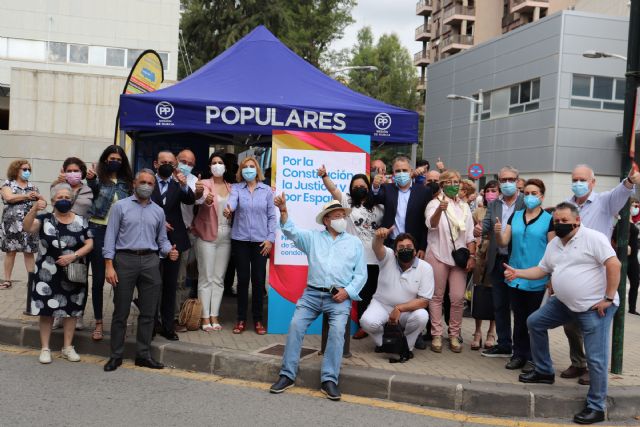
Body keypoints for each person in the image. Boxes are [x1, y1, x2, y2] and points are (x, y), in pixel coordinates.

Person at [504, 202, 621, 425]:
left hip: (594, 308)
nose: (560, 224)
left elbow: (613, 265)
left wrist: (608, 298)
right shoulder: (555, 244)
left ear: (577, 221)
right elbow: (542, 269)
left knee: (596, 359)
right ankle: (545, 371)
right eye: (557, 221)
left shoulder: (593, 238)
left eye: (565, 221)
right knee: (535, 322)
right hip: (564, 303)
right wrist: (517, 272)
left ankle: (596, 406)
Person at [269, 197, 366, 400]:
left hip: (339, 296)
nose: (342, 219)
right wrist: (284, 210)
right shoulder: (313, 238)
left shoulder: (355, 243)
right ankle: (287, 375)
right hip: (312, 294)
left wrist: (347, 292)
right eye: (337, 216)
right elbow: (291, 231)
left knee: (338, 331)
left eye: (343, 216)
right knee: (296, 325)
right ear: (327, 220)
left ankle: (329, 379)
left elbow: (361, 275)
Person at [561, 164, 639, 385]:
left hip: (596, 277)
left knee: (593, 324)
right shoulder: (567, 205)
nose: (578, 183)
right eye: (574, 179)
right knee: (570, 324)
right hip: (571, 274)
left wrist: (630, 181)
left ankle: (595, 371)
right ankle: (578, 362)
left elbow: (621, 192)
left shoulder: (604, 201)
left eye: (582, 180)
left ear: (592, 182)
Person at [102, 169, 179, 372]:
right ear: (134, 184)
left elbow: (161, 239)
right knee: (121, 311)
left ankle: (143, 355)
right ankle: (115, 355)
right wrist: (109, 265)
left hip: (150, 261)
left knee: (149, 312)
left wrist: (168, 251)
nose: (146, 186)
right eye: (142, 182)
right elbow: (110, 237)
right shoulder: (120, 207)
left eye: (150, 183)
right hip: (124, 260)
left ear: (154, 187)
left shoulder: (158, 212)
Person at [23, 184, 93, 364]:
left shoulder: (81, 220)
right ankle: (45, 348)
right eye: (60, 198)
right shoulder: (44, 219)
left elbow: (90, 244)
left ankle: (67, 347)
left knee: (71, 311)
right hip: (46, 274)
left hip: (72, 272)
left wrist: (73, 256)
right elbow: (27, 227)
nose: (64, 201)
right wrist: (33, 208)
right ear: (53, 201)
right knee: (46, 311)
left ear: (72, 200)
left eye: (67, 198)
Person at [317, 165, 383, 340]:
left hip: (374, 258)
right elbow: (333, 190)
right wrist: (324, 176)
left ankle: (367, 324)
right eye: (356, 186)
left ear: (368, 188)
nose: (359, 189)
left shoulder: (379, 206)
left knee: (369, 293)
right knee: (353, 292)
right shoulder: (347, 202)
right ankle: (352, 325)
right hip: (352, 257)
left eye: (363, 186)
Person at [495, 179, 554, 372]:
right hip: (515, 275)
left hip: (538, 277)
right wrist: (497, 232)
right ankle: (518, 354)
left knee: (535, 320)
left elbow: (554, 250)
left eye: (534, 193)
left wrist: (552, 278)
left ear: (542, 196)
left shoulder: (549, 219)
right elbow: (504, 241)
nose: (529, 197)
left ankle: (535, 357)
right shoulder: (516, 216)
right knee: (520, 318)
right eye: (526, 193)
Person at [474, 166, 524, 358]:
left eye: (511, 179)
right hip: (497, 259)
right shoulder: (495, 204)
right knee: (500, 304)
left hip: (517, 261)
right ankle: (504, 344)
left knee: (518, 307)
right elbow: (486, 224)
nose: (507, 183)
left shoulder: (524, 202)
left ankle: (520, 348)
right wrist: (479, 230)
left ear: (518, 181)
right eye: (503, 180)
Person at [424, 170, 476, 353]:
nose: (454, 185)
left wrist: (472, 256)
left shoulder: (465, 207)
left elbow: (470, 235)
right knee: (437, 296)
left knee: (457, 298)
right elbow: (431, 224)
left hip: (459, 258)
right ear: (443, 185)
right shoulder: (433, 203)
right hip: (438, 255)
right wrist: (440, 209)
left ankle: (454, 334)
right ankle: (436, 334)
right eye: (450, 182)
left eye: (457, 181)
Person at [360, 229, 433, 356]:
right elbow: (377, 247)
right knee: (366, 322)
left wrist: (399, 308)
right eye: (401, 247)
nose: (405, 249)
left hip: (406, 311)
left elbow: (424, 301)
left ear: (415, 251)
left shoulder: (425, 268)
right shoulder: (387, 257)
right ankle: (383, 343)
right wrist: (379, 237)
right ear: (395, 252)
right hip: (381, 305)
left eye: (409, 247)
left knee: (422, 316)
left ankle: (405, 346)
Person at [224, 156, 276, 335]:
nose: (248, 170)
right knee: (243, 281)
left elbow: (272, 217)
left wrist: (270, 239)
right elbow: (232, 202)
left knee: (259, 281)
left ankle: (258, 320)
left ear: (257, 169)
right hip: (241, 241)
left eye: (251, 166)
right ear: (241, 171)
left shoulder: (267, 190)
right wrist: (228, 209)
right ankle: (241, 319)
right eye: (245, 167)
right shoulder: (237, 188)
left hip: (261, 242)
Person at [86, 145, 133, 341]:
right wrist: (91, 179)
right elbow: (94, 189)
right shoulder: (98, 179)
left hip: (120, 234)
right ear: (105, 159)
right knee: (98, 280)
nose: (115, 161)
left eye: (119, 159)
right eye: (112, 158)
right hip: (98, 231)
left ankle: (119, 323)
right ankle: (98, 322)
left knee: (118, 281)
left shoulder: (127, 182)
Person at [150, 151, 196, 341]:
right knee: (152, 286)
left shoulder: (178, 184)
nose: (167, 165)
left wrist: (184, 184)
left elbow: (190, 200)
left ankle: (168, 326)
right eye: (163, 162)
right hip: (150, 241)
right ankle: (151, 325)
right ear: (156, 164)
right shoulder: (147, 183)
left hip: (175, 241)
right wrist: (158, 222)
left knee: (171, 285)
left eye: (171, 162)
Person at [50, 157, 94, 331]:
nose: (73, 174)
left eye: (76, 171)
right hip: (59, 235)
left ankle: (78, 315)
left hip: (81, 237)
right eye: (69, 170)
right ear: (64, 171)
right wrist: (57, 182)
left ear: (82, 172)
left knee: (78, 278)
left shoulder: (89, 189)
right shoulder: (57, 187)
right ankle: (57, 314)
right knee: (58, 277)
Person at [192, 152, 232, 331]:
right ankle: (204, 316)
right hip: (207, 236)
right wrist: (203, 197)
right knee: (206, 277)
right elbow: (199, 198)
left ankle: (214, 315)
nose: (217, 165)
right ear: (209, 167)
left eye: (220, 162)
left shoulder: (231, 187)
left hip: (226, 236)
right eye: (214, 163)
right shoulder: (205, 184)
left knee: (219, 279)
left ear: (225, 167)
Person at [371, 155, 433, 258]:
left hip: (413, 244)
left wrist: (422, 247)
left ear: (411, 171)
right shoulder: (387, 188)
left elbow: (425, 222)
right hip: (390, 243)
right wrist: (375, 187)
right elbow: (374, 199)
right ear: (393, 173)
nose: (401, 173)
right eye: (398, 171)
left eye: (404, 170)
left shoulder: (423, 191)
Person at [1, 159, 42, 289]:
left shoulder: (33, 187)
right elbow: (8, 198)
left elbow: (41, 202)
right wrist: (26, 196)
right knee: (10, 251)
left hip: (28, 223)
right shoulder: (7, 184)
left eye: (29, 170)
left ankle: (32, 281)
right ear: (16, 170)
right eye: (24, 169)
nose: (27, 172)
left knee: (28, 251)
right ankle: (7, 280)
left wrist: (41, 200)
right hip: (11, 224)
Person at [469, 180, 499, 350]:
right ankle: (477, 331)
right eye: (488, 190)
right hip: (481, 254)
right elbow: (472, 233)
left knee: (494, 293)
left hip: (496, 253)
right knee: (479, 292)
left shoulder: (502, 210)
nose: (491, 194)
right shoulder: (477, 212)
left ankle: (491, 332)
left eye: (494, 190)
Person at [175, 149, 204, 316]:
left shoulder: (194, 181)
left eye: (190, 164)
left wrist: (199, 191)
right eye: (183, 162)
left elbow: (198, 198)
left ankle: (175, 315)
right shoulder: (164, 177)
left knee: (180, 279)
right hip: (159, 233)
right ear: (176, 160)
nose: (186, 166)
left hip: (183, 234)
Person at [628, 197, 640, 315]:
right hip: (624, 257)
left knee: (635, 282)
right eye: (634, 205)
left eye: (637, 206)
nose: (636, 208)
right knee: (618, 284)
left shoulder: (633, 221)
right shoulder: (622, 220)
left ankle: (632, 308)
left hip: (634, 257)